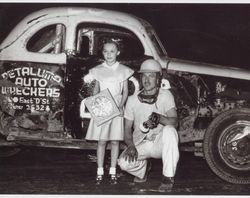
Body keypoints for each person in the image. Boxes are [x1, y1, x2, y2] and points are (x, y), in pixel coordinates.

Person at [118, 59, 179, 192]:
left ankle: (168, 177)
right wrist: (131, 145)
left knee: (170, 130)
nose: (147, 79)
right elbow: (127, 129)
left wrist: (160, 118)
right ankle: (143, 169)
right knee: (123, 164)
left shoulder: (166, 95)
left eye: (151, 76)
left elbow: (175, 122)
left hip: (159, 143)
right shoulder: (132, 100)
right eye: (144, 75)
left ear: (158, 79)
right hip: (140, 143)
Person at [85, 38, 134, 185]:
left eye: (112, 51)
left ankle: (113, 170)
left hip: (117, 107)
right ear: (102, 53)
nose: (109, 54)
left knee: (114, 141)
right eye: (105, 51)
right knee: (101, 141)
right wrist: (94, 104)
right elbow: (96, 90)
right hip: (103, 106)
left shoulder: (123, 70)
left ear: (117, 52)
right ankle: (100, 171)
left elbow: (125, 91)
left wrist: (121, 106)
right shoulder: (98, 70)